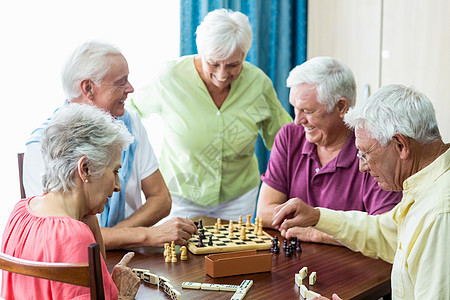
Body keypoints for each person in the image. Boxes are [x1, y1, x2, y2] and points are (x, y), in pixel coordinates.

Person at [272, 84, 450, 300]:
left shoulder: (440, 213)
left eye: (365, 154)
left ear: (401, 145)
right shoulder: (429, 183)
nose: (362, 167)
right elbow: (385, 234)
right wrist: (316, 216)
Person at [23, 40, 197, 250]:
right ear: (88, 88)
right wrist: (142, 235)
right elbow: (61, 237)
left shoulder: (130, 123)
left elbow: (161, 199)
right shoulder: (43, 145)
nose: (130, 89)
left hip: (130, 256)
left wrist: (117, 236)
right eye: (120, 82)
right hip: (76, 261)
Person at [130, 9, 292, 221]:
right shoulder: (170, 78)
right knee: (178, 254)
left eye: (233, 64)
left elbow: (284, 140)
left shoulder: (258, 84)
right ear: (201, 52)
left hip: (239, 197)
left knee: (232, 254)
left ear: (244, 55)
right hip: (181, 196)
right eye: (214, 63)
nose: (222, 74)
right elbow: (130, 114)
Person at [256, 57, 401, 245]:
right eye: (295, 108)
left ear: (341, 107)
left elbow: (385, 232)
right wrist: (335, 233)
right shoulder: (289, 135)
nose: (298, 120)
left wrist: (316, 231)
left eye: (307, 111)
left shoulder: (374, 147)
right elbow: (265, 212)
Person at [2, 104, 140, 299]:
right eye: (115, 171)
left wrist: (90, 218)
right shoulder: (75, 237)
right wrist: (123, 295)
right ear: (84, 168)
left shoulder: (19, 214)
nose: (118, 185)